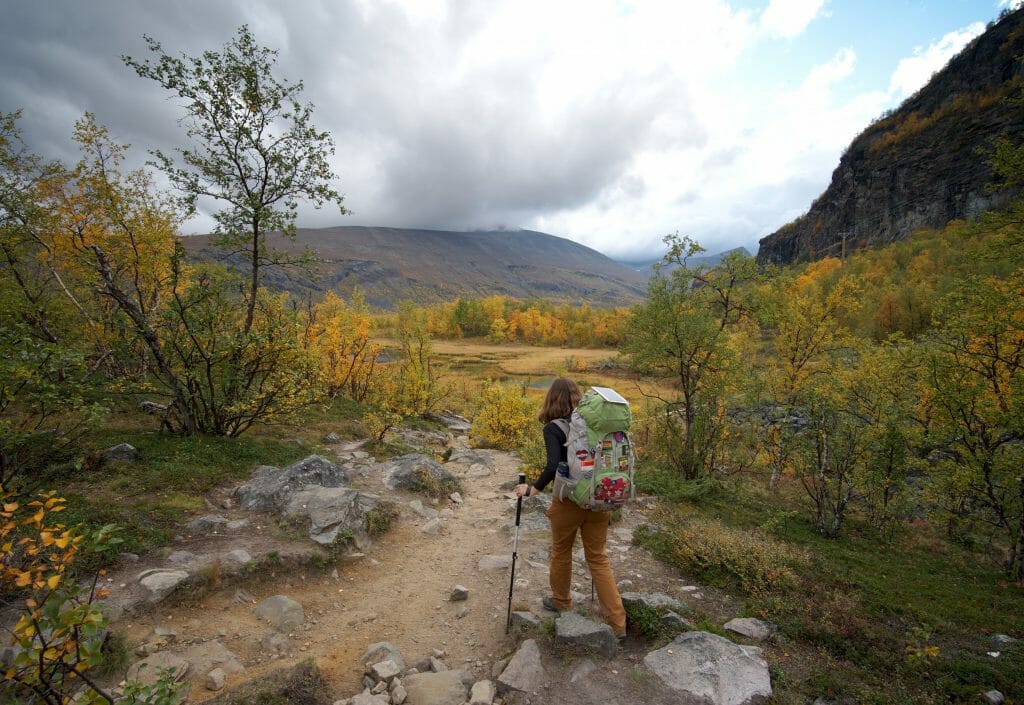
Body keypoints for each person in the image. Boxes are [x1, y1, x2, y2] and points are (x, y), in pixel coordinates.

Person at [515, 377, 627, 640]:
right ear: (578, 398)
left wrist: (532, 489)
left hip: (568, 501)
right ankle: (617, 624)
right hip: (601, 499)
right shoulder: (593, 425)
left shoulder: (553, 428)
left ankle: (562, 602)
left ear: (551, 399)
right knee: (598, 557)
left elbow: (553, 466)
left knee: (561, 551)